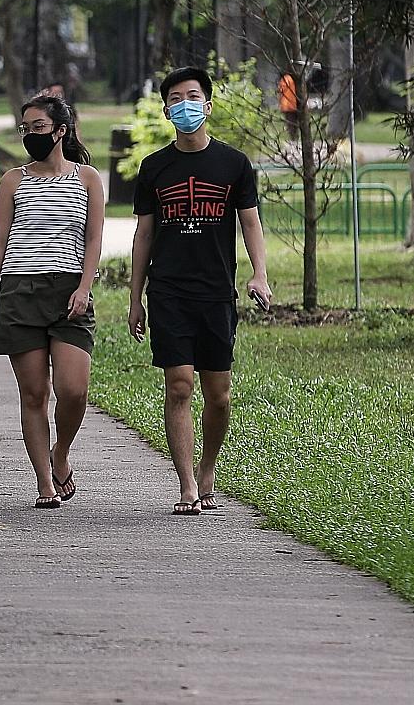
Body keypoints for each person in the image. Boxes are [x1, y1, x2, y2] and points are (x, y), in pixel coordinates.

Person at [127, 67, 272, 516]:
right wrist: (136, 297)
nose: (184, 103)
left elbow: (250, 221)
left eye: (192, 96)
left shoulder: (233, 165)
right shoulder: (154, 168)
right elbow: (144, 235)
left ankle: (208, 468)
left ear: (207, 105)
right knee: (178, 386)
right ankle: (188, 483)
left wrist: (259, 274)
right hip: (168, 291)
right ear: (167, 109)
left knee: (219, 394)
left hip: (216, 292)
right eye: (175, 98)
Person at [0, 95, 104, 508]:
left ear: (60, 131)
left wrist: (85, 287)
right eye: (26, 128)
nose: (31, 135)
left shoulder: (87, 179)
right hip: (20, 289)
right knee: (34, 394)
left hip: (69, 290)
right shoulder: (14, 180)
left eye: (38, 127)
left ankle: (61, 454)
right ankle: (44, 484)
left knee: (73, 391)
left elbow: (93, 241)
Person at [278, 71, 300, 141]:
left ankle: (293, 138)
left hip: (287, 104)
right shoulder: (295, 80)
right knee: (294, 122)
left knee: (290, 122)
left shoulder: (286, 78)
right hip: (294, 104)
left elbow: (281, 89)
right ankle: (295, 136)